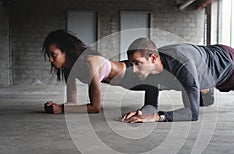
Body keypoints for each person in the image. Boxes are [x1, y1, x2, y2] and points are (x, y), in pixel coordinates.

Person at [122, 38, 234, 123]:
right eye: (132, 64)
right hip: (207, 69)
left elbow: (192, 113)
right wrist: (143, 113)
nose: (134, 69)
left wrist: (157, 117)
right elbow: (152, 104)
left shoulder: (182, 65)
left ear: (153, 58)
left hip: (227, 63)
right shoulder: (150, 72)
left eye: (137, 64)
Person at [42, 30, 214, 114]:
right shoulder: (70, 69)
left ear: (66, 51)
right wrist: (60, 106)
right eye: (49, 55)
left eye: (53, 54)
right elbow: (71, 102)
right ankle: (200, 87)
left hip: (132, 74)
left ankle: (205, 87)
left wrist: (63, 110)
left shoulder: (89, 62)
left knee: (175, 83)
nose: (50, 59)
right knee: (173, 84)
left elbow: (94, 108)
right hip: (126, 77)